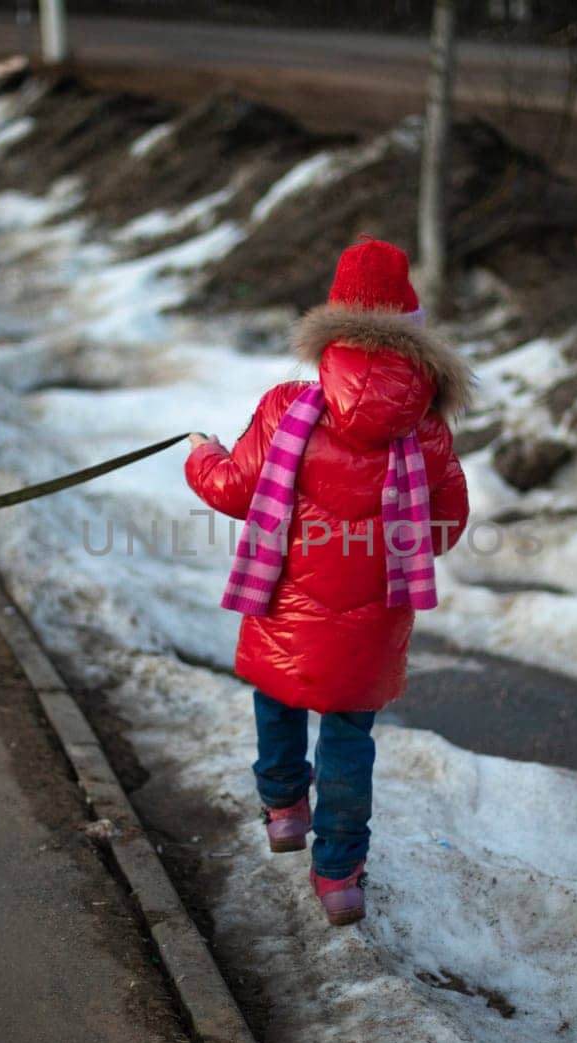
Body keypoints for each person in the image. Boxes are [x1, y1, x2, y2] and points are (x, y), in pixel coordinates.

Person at [185, 237, 470, 926]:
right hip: (374, 621)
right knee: (349, 737)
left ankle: (284, 811)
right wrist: (379, 551)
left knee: (279, 694)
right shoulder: (426, 432)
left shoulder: (288, 407)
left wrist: (203, 454)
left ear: (331, 325)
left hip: (285, 599)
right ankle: (339, 875)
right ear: (415, 331)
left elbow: (231, 488)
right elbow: (447, 523)